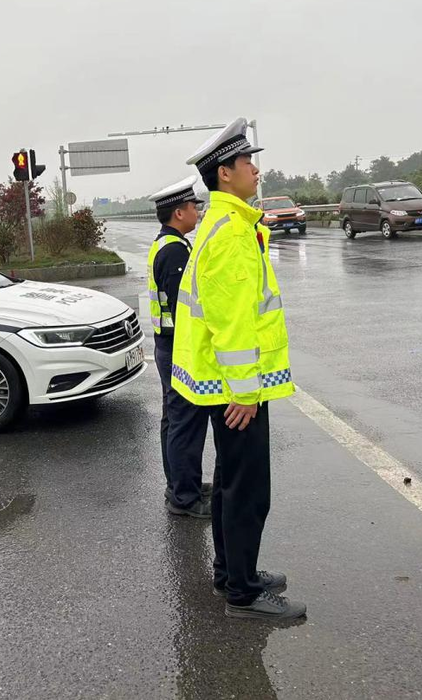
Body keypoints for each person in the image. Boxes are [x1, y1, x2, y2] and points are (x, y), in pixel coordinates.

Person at [172, 117, 307, 621]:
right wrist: (246, 393)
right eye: (247, 161)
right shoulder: (231, 233)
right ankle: (244, 594)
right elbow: (232, 324)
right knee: (248, 490)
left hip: (219, 384)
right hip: (235, 389)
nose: (255, 168)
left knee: (232, 481)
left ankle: (232, 573)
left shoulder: (228, 224)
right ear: (224, 173)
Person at [147, 177, 211, 518]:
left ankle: (180, 484)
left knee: (173, 420)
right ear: (178, 212)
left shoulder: (165, 244)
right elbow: (183, 306)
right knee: (186, 423)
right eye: (192, 207)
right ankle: (185, 498)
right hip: (176, 348)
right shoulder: (174, 251)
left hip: (164, 345)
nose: (197, 212)